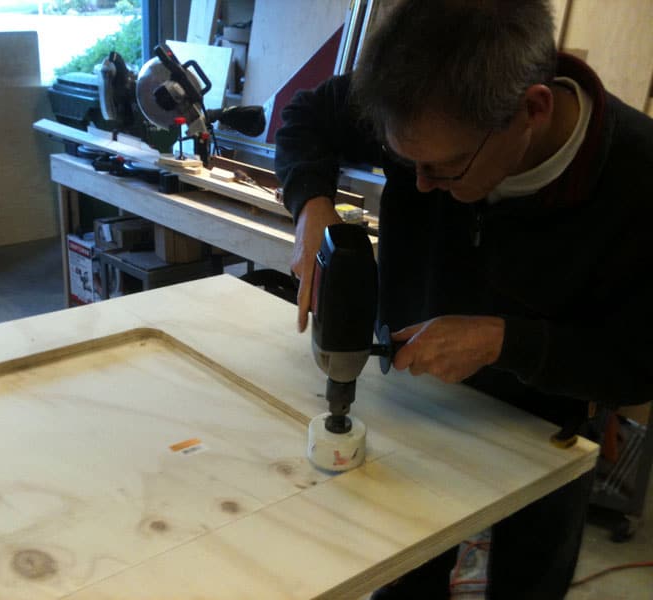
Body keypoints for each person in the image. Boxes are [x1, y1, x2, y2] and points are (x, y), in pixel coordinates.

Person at [274, 0, 653, 598]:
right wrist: (310, 206)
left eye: (443, 169)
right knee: (402, 575)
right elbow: (304, 117)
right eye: (405, 162)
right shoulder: (420, 94)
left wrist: (506, 341)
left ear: (533, 109)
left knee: (530, 582)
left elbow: (640, 361)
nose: (419, 185)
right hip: (413, 402)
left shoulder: (639, 176)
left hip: (544, 431)